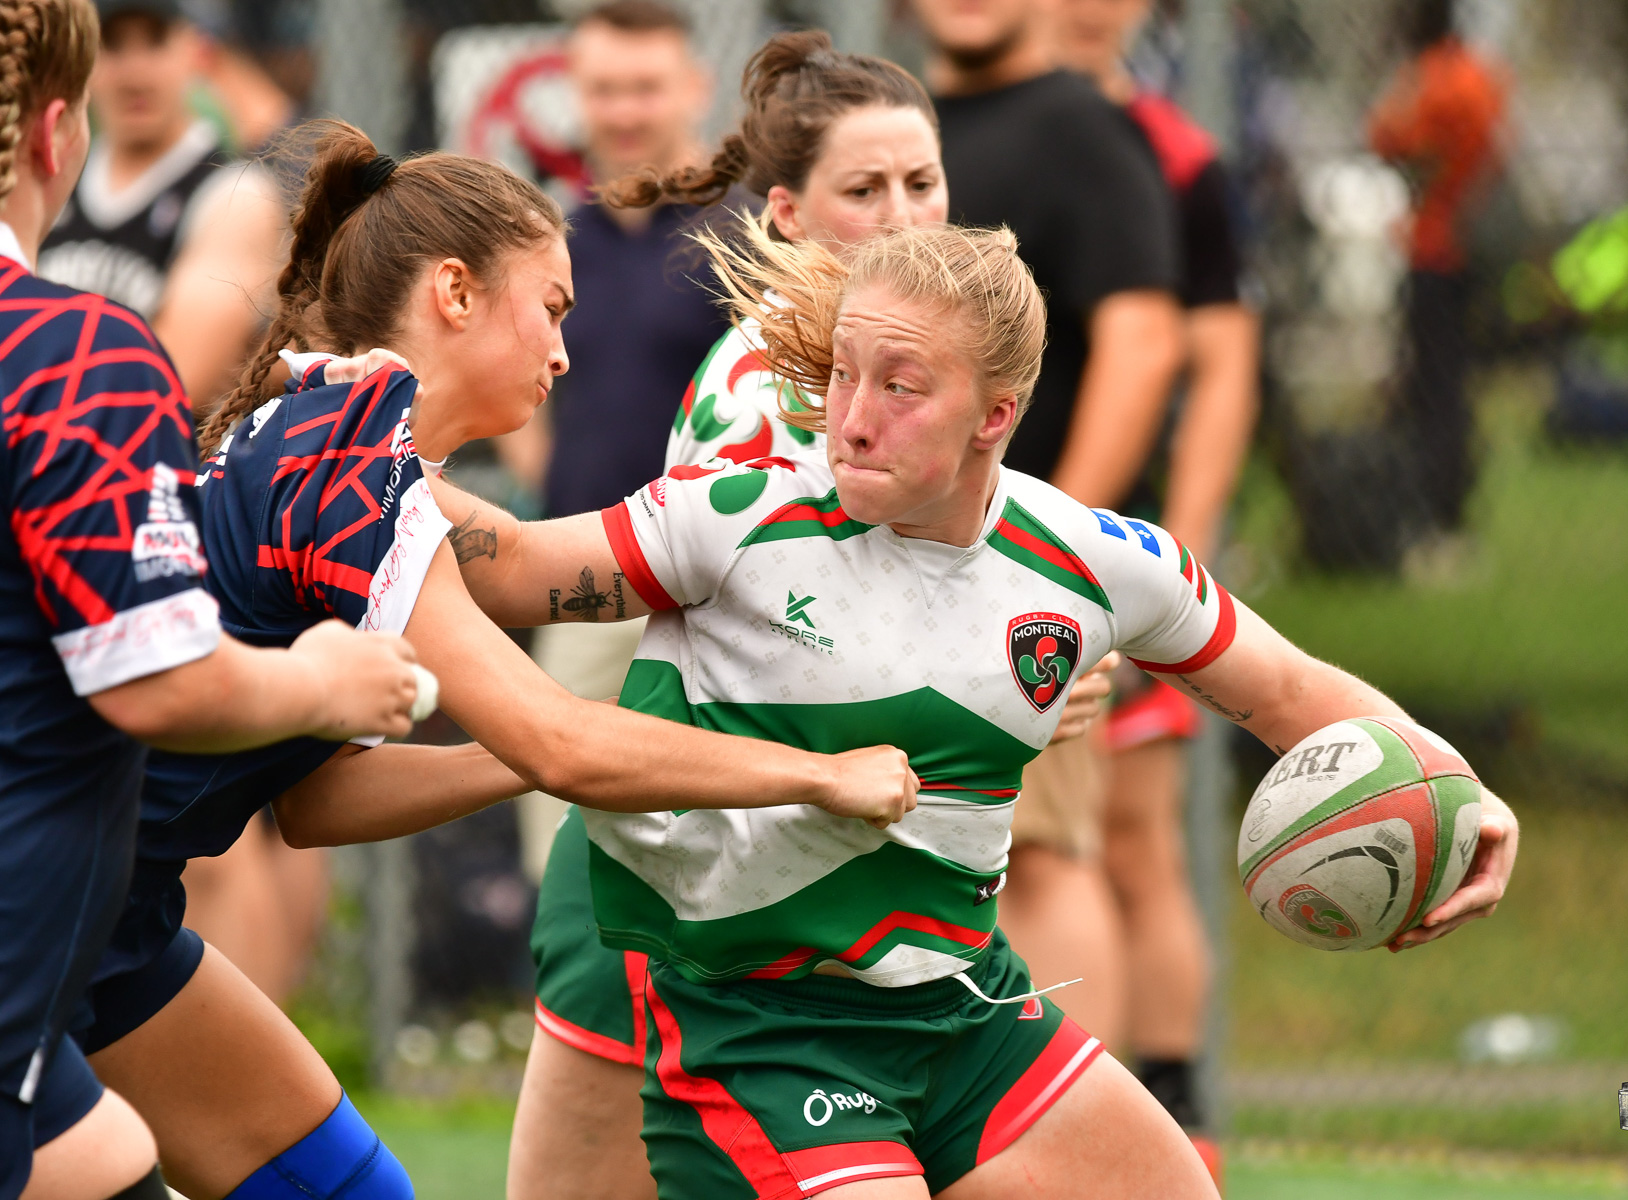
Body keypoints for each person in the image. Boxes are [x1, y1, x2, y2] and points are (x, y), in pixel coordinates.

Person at [431, 215, 1520, 1200]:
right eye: (843, 375)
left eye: (899, 387)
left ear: (997, 414)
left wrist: (1457, 792)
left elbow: (1290, 693)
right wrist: (356, 450)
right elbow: (515, 563)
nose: (851, 419)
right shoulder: (737, 515)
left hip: (964, 1011)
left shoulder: (1091, 562)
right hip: (762, 1028)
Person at [68, 120, 914, 1200]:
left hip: (118, 914)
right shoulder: (351, 456)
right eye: (552, 308)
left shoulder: (344, 437)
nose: (565, 352)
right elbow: (564, 743)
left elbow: (325, 797)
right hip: (53, 894)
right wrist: (819, 773)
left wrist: (527, 742)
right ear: (455, 293)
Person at [505, 34, 1088, 1200]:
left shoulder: (916, 374)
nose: (903, 211)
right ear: (786, 216)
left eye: (922, 182)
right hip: (684, 885)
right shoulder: (771, 391)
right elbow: (789, 656)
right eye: (863, 190)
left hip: (827, 900)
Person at [0, 8, 420, 1197]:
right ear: (55, 135)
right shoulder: (71, 352)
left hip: (95, 959)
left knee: (122, 1159)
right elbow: (165, 679)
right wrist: (331, 681)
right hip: (30, 934)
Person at [912, 0, 1189, 1048]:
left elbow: (1144, 342)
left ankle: (1078, 1131)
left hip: (1013, 580)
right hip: (910, 570)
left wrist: (1040, 553)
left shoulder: (1077, 125)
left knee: (1040, 851)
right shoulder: (915, 123)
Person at [1053, 0, 1261, 1150]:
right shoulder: (954, 130)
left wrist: (1167, 567)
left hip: (1109, 548)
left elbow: (1220, 366)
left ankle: (1176, 1122)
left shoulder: (1176, 155)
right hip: (967, 535)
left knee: (1127, 842)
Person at [502, 0, 729, 885]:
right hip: (583, 579)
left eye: (647, 88)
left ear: (694, 88)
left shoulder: (745, 237)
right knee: (560, 840)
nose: (626, 111)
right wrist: (550, 472)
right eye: (606, 90)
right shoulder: (549, 240)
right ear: (575, 96)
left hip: (716, 586)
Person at [37, 0, 285, 410]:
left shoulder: (235, 196)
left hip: (154, 463)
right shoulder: (49, 180)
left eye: (154, 41)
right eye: (114, 45)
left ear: (197, 50)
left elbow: (168, 388)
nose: (135, 74)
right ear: (86, 56)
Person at [1368, 0, 1505, 540]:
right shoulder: (1480, 75)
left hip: (1435, 251)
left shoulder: (1435, 79)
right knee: (1446, 385)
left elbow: (1383, 135)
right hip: (1466, 248)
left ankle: (1436, 508)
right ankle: (1439, 504)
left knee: (1433, 388)